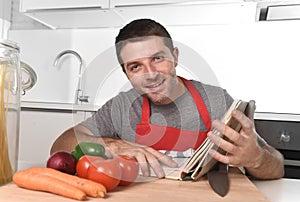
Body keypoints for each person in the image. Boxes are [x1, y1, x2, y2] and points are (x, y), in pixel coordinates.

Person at [50, 18, 284, 180]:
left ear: (175, 57)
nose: (150, 74)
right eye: (136, 66)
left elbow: (277, 166)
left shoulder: (216, 100)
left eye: (158, 58)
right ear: (126, 73)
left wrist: (255, 159)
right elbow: (60, 145)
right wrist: (110, 144)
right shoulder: (121, 106)